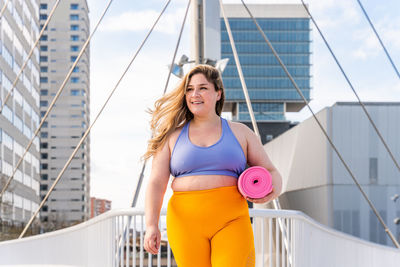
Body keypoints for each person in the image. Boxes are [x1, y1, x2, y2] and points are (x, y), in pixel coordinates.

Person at [143, 64, 282, 267]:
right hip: (185, 223)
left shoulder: (241, 132)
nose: (195, 94)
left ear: (218, 93)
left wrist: (272, 191)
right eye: (189, 89)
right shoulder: (171, 137)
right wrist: (151, 225)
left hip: (231, 219)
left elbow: (271, 172)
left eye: (203, 88)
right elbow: (156, 182)